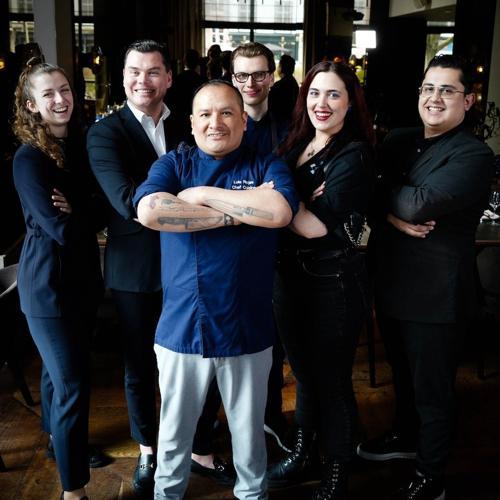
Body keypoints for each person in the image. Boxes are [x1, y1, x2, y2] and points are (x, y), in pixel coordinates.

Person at [133, 79, 298, 500]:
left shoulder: (267, 165)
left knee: (248, 435)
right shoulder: (174, 164)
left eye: (226, 113)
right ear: (192, 122)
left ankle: (252, 495)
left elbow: (279, 211)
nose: (215, 122)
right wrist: (240, 213)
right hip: (182, 327)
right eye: (205, 114)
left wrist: (203, 195)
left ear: (243, 119)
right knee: (173, 436)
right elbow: (150, 211)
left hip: (247, 327)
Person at [87, 39, 231, 495]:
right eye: (134, 71)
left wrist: (188, 199)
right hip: (136, 268)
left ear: (168, 77)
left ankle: (200, 448)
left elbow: (210, 177)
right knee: (140, 366)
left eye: (153, 72)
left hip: (192, 263)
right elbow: (130, 201)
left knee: (201, 357)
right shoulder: (105, 133)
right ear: (123, 77)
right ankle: (149, 448)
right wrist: (202, 202)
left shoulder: (189, 124)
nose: (143, 81)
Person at [357, 55, 494, 500]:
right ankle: (404, 436)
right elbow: (364, 190)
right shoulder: (399, 138)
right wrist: (390, 215)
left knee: (432, 391)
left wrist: (387, 198)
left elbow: (417, 206)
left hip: (437, 294)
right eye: (428, 88)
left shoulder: (474, 154)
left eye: (447, 90)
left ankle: (431, 475)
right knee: (401, 374)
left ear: (468, 100)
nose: (435, 98)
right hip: (392, 282)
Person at [267, 61, 374, 500]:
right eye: (314, 93)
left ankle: (337, 468)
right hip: (288, 278)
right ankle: (303, 452)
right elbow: (281, 204)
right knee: (305, 377)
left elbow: (313, 227)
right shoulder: (297, 143)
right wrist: (294, 200)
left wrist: (281, 199)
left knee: (331, 382)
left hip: (332, 281)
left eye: (333, 94)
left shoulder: (353, 155)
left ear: (350, 102)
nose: (322, 103)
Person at [12, 58, 104, 500]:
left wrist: (82, 206)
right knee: (71, 385)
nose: (60, 99)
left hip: (83, 282)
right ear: (31, 104)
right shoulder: (28, 160)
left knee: (57, 375)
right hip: (47, 288)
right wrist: (88, 209)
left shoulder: (79, 145)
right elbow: (60, 228)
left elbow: (103, 207)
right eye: (48, 94)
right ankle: (73, 490)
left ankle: (58, 443)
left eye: (64, 89)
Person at [231, 42, 291, 449]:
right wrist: (259, 197)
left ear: (272, 77)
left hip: (280, 251)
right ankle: (231, 427)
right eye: (242, 75)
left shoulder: (289, 128)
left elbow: (292, 194)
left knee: (272, 346)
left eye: (259, 74)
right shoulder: (220, 124)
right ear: (232, 77)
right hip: (231, 248)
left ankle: (270, 420)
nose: (250, 83)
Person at [269, 54, 299, 122]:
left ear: (281, 67)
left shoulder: (279, 85)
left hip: (280, 121)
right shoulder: (294, 83)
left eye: (279, 65)